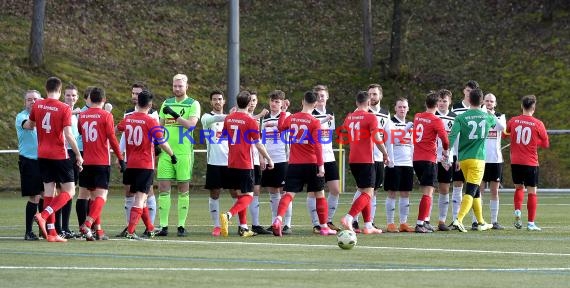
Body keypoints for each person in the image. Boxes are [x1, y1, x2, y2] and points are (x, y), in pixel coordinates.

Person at [25, 76, 84, 242]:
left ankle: (51, 233)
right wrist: (78, 155)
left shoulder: (38, 105)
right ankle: (44, 215)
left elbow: (30, 125)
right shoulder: (64, 108)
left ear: (46, 89)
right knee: (70, 191)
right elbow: (68, 134)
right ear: (60, 90)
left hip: (42, 154)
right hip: (59, 154)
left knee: (49, 192)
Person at [271, 90, 336, 237]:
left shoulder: (293, 118)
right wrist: (321, 166)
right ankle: (324, 227)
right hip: (312, 163)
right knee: (320, 194)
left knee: (288, 194)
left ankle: (278, 219)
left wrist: (283, 111)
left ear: (302, 101)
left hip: (294, 164)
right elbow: (318, 145)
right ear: (315, 104)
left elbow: (280, 127)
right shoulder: (314, 122)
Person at [118, 90, 177, 239]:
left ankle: (150, 228)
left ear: (137, 102)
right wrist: (172, 155)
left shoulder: (128, 118)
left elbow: (115, 130)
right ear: (150, 105)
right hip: (145, 164)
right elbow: (162, 141)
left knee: (141, 199)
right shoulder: (151, 121)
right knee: (140, 198)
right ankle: (130, 232)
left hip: (130, 164)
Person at [219, 91, 274, 237]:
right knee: (249, 196)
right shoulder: (250, 121)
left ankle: (243, 228)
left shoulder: (229, 118)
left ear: (237, 102)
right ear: (249, 103)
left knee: (240, 195)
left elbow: (223, 136)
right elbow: (259, 145)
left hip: (231, 163)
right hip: (245, 163)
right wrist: (268, 158)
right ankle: (229, 215)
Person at [76, 87, 125, 240]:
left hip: (86, 160)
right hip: (101, 161)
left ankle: (98, 231)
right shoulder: (106, 116)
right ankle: (88, 224)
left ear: (89, 99)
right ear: (104, 100)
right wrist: (121, 159)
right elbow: (113, 139)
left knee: (90, 196)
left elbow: (80, 132)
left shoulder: (82, 116)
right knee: (102, 196)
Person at [339, 91, 389, 234]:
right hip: (366, 159)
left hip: (353, 159)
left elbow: (342, 137)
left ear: (356, 103)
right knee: (369, 192)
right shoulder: (370, 117)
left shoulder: (349, 117)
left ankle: (368, 225)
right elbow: (377, 139)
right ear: (368, 103)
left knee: (364, 191)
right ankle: (349, 217)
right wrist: (385, 153)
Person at [157, 74, 201, 237]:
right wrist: (157, 143)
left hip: (183, 153)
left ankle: (181, 226)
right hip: (166, 152)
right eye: (175, 86)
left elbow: (191, 125)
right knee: (163, 188)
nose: (177, 89)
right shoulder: (166, 103)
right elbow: (159, 127)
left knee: (183, 189)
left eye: (180, 86)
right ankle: (163, 226)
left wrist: (174, 115)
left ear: (186, 87)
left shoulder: (193, 104)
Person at [116, 82, 160, 238]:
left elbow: (156, 139)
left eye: (137, 94)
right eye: (133, 93)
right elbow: (124, 135)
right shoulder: (128, 114)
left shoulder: (152, 115)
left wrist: (155, 158)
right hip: (131, 158)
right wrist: (120, 154)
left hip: (146, 158)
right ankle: (139, 227)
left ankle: (144, 227)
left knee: (147, 193)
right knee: (131, 193)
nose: (135, 96)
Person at [450, 88, 496, 232]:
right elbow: (497, 125)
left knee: (475, 191)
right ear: (482, 101)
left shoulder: (460, 117)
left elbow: (452, 136)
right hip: (478, 158)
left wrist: (446, 152)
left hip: (463, 159)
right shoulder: (487, 117)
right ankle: (459, 219)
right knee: (471, 190)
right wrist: (488, 111)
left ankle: (481, 222)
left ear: (469, 100)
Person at [505, 95, 549, 231]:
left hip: (515, 162)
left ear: (521, 106)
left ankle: (518, 210)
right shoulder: (538, 123)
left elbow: (505, 134)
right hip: (531, 163)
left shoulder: (513, 121)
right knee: (532, 192)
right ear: (534, 108)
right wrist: (535, 141)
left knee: (519, 188)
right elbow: (546, 143)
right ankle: (531, 223)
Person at [351, 84, 390, 232]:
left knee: (373, 191)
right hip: (366, 157)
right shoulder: (360, 112)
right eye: (370, 94)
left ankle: (369, 222)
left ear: (380, 95)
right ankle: (353, 219)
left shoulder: (385, 113)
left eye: (374, 94)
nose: (372, 97)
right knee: (364, 190)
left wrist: (387, 155)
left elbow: (387, 136)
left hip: (379, 157)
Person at [411, 91, 451, 233]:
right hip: (428, 159)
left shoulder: (417, 117)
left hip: (416, 158)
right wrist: (446, 151)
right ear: (436, 105)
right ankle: (420, 223)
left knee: (429, 191)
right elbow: (445, 139)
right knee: (428, 192)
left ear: (425, 103)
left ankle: (426, 220)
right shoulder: (436, 120)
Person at [201, 90, 238, 236]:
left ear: (224, 101)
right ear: (211, 102)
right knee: (214, 194)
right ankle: (217, 226)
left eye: (220, 99)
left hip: (231, 162)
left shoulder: (232, 120)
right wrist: (232, 116)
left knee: (236, 193)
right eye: (214, 99)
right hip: (214, 162)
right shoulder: (206, 118)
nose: (217, 101)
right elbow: (216, 118)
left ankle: (235, 220)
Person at [308, 85, 341, 233]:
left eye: (323, 95)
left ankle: (327, 220)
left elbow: (328, 135)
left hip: (329, 156)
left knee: (335, 190)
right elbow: (309, 132)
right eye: (318, 95)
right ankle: (316, 224)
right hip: (315, 158)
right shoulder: (311, 114)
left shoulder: (330, 113)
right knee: (314, 192)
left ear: (327, 97)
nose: (321, 98)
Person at [259, 90, 289, 235]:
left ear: (283, 103)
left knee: (285, 193)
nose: (274, 104)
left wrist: (284, 111)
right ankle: (274, 222)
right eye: (272, 100)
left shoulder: (287, 116)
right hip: (268, 158)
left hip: (283, 158)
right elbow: (260, 140)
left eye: (277, 101)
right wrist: (262, 157)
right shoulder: (263, 118)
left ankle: (287, 224)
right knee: (272, 193)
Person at [451, 80, 480, 230]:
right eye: (468, 90)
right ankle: (455, 219)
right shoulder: (455, 109)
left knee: (475, 187)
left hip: (474, 154)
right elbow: (453, 133)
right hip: (459, 154)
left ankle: (476, 220)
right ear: (464, 91)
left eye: (472, 91)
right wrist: (452, 154)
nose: (470, 94)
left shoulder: (479, 109)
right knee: (458, 186)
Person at [383, 97, 416, 233]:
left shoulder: (410, 124)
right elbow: (393, 140)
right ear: (395, 108)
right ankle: (390, 223)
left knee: (405, 193)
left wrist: (413, 162)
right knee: (392, 193)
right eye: (400, 107)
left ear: (408, 109)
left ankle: (403, 223)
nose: (402, 109)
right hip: (394, 163)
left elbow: (412, 144)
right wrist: (390, 161)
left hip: (407, 163)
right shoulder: (390, 123)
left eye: (404, 107)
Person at [16, 90, 44, 241]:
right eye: (29, 100)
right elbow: (30, 126)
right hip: (29, 161)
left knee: (47, 195)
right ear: (25, 102)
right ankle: (28, 232)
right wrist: (41, 110)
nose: (33, 102)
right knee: (34, 196)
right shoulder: (21, 117)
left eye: (36, 99)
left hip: (45, 160)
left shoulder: (45, 115)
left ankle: (44, 228)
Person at [245, 91, 272, 235]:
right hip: (244, 160)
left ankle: (255, 224)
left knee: (255, 191)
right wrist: (260, 115)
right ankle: (242, 225)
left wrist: (261, 157)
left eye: (254, 100)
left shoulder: (258, 119)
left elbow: (258, 139)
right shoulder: (242, 114)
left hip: (255, 158)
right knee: (244, 192)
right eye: (250, 100)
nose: (252, 102)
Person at [479, 93, 507, 230]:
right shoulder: (479, 115)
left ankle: (494, 221)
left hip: (496, 159)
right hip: (481, 158)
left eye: (492, 101)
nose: (489, 103)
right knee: (479, 190)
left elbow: (502, 128)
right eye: (487, 101)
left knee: (494, 191)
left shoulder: (500, 116)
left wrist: (491, 115)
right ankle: (477, 220)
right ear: (483, 102)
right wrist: (485, 114)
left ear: (495, 103)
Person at [434, 89, 457, 231]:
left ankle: (441, 221)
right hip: (431, 157)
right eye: (440, 101)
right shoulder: (431, 115)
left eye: (445, 101)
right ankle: (424, 221)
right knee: (429, 189)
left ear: (449, 102)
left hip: (447, 159)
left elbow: (458, 139)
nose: (442, 103)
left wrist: (457, 157)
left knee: (444, 189)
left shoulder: (454, 118)